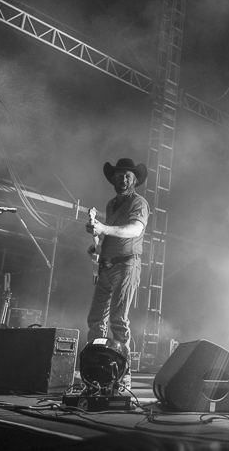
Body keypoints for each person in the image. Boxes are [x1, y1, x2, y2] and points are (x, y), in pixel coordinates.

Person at [85, 158, 150, 374]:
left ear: (135, 180)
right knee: (96, 319)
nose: (123, 179)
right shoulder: (111, 205)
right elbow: (110, 235)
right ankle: (97, 367)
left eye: (127, 176)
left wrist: (103, 228)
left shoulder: (139, 203)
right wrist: (97, 246)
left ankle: (122, 373)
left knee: (118, 319)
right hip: (106, 267)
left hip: (126, 265)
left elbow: (134, 230)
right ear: (113, 179)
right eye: (119, 175)